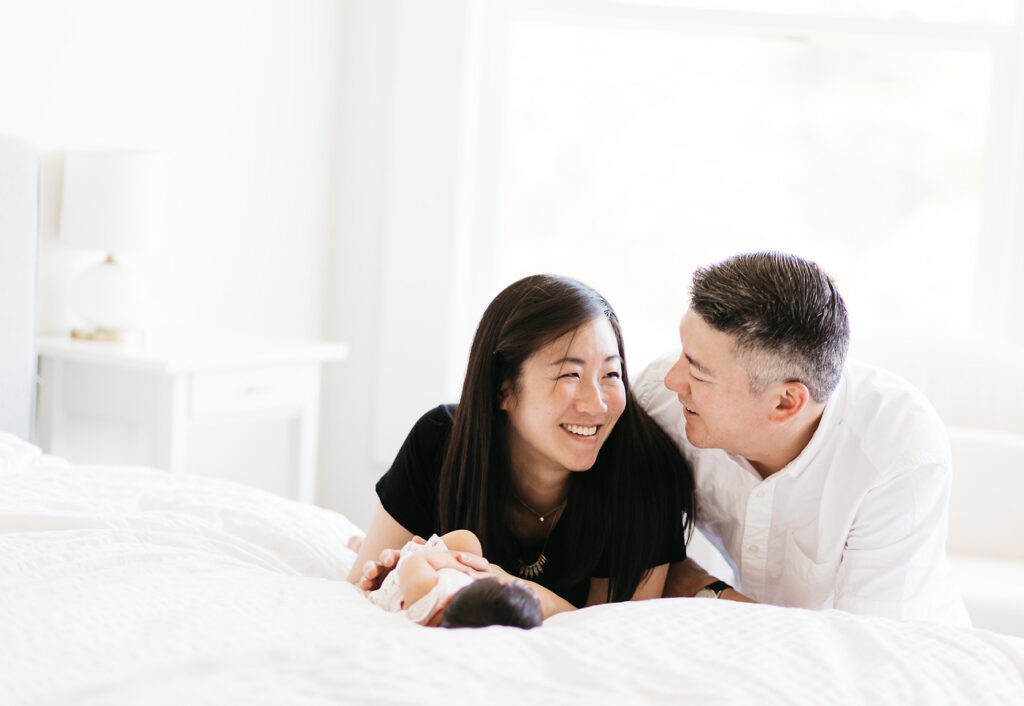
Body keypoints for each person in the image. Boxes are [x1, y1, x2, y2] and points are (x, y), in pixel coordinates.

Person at [635, 251, 969, 624]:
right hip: (753, 639)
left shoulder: (895, 452)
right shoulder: (660, 400)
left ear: (785, 403)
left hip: (904, 655)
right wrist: (716, 594)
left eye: (698, 372)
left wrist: (701, 586)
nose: (672, 380)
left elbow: (864, 643)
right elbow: (618, 537)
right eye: (683, 353)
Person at [348, 274, 695, 615]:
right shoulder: (440, 440)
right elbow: (360, 590)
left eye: (611, 374)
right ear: (502, 387)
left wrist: (505, 585)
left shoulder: (644, 470)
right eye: (570, 375)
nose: (597, 404)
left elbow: (617, 633)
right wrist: (390, 580)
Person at [366, 529, 543, 629]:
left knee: (467, 540)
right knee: (469, 543)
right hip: (433, 571)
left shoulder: (427, 594)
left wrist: (455, 562)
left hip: (406, 572)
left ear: (450, 598)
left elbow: (414, 561)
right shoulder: (468, 620)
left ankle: (357, 542)